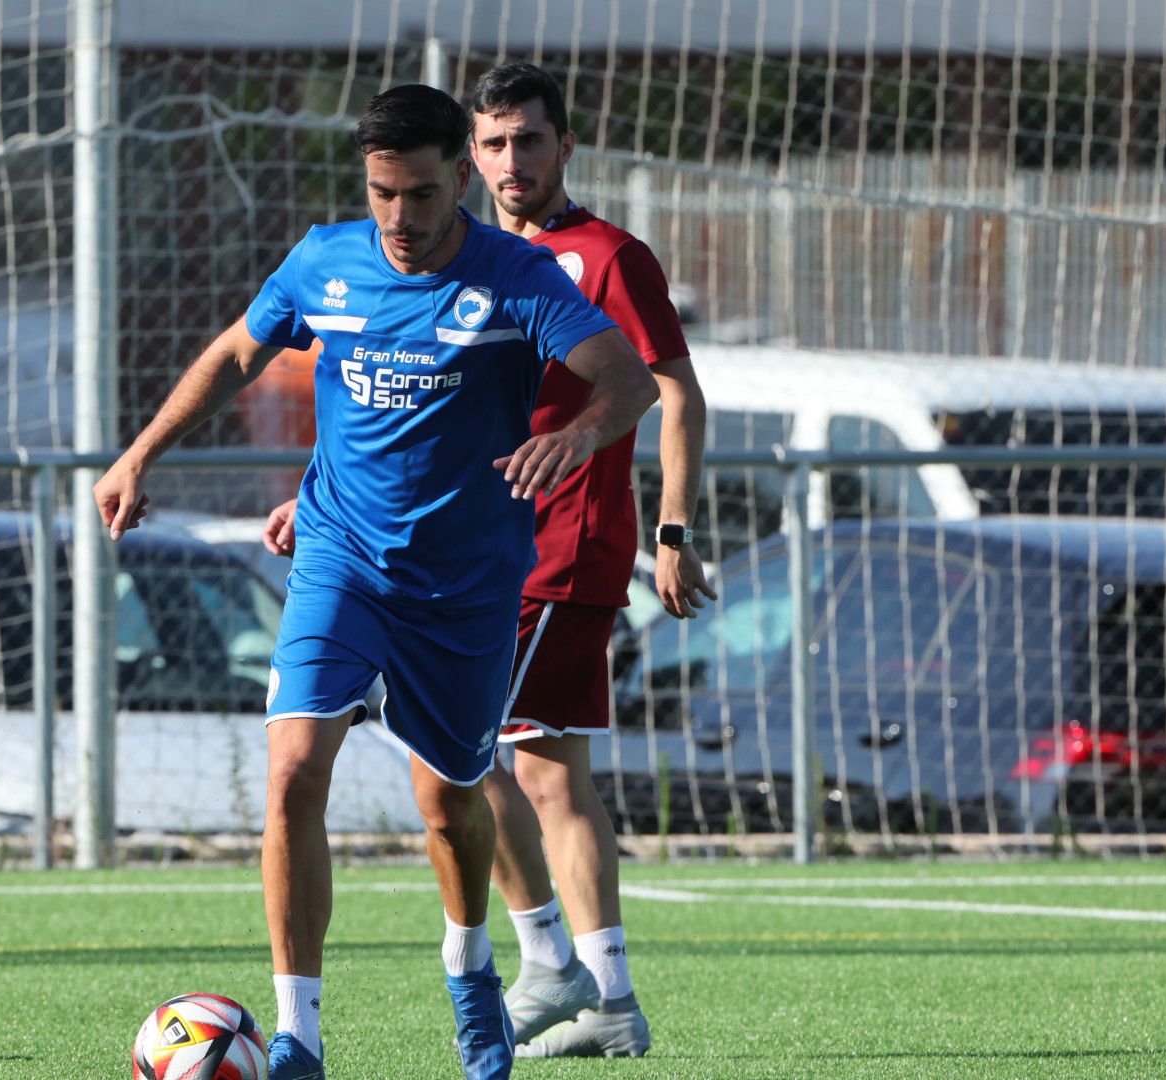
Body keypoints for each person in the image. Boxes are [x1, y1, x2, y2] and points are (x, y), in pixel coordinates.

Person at [95, 83, 658, 1080]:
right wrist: (142, 453)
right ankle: (296, 1036)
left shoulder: (517, 278)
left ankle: (469, 963)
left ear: (462, 184)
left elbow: (627, 380)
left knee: (452, 806)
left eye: (423, 196)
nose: (400, 219)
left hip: (467, 587)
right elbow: (236, 352)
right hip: (339, 561)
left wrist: (571, 439)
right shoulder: (324, 259)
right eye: (382, 194)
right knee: (292, 772)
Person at [469, 61, 714, 1058]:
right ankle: (607, 997)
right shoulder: (467, 256)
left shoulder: (609, 255)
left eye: (529, 139)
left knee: (462, 753)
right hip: (478, 553)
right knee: (548, 776)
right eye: (493, 143)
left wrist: (672, 529)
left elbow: (678, 392)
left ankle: (547, 962)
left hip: (563, 549)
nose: (512, 160)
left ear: (566, 146)